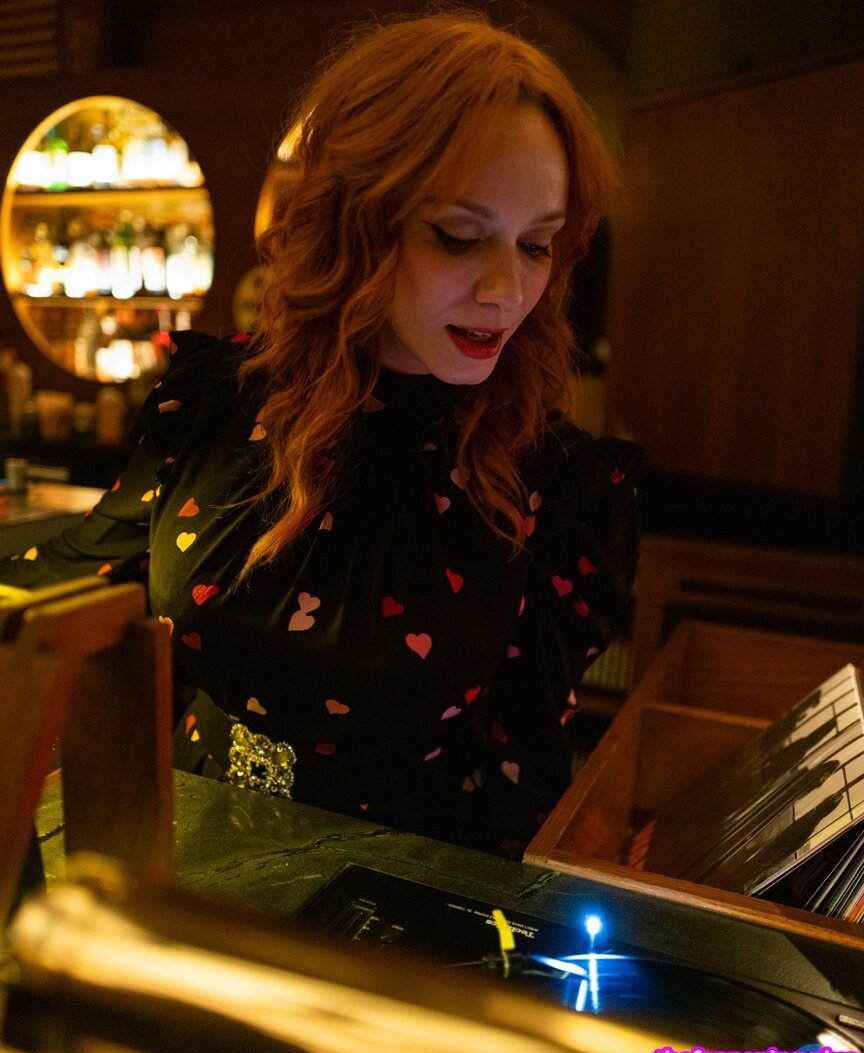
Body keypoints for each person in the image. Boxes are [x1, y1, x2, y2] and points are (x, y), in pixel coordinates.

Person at [0, 11, 640, 858]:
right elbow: (75, 572)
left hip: (384, 895)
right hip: (175, 859)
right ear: (356, 217)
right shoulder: (220, 400)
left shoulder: (555, 484)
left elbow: (527, 780)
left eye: (537, 245)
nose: (507, 290)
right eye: (460, 237)